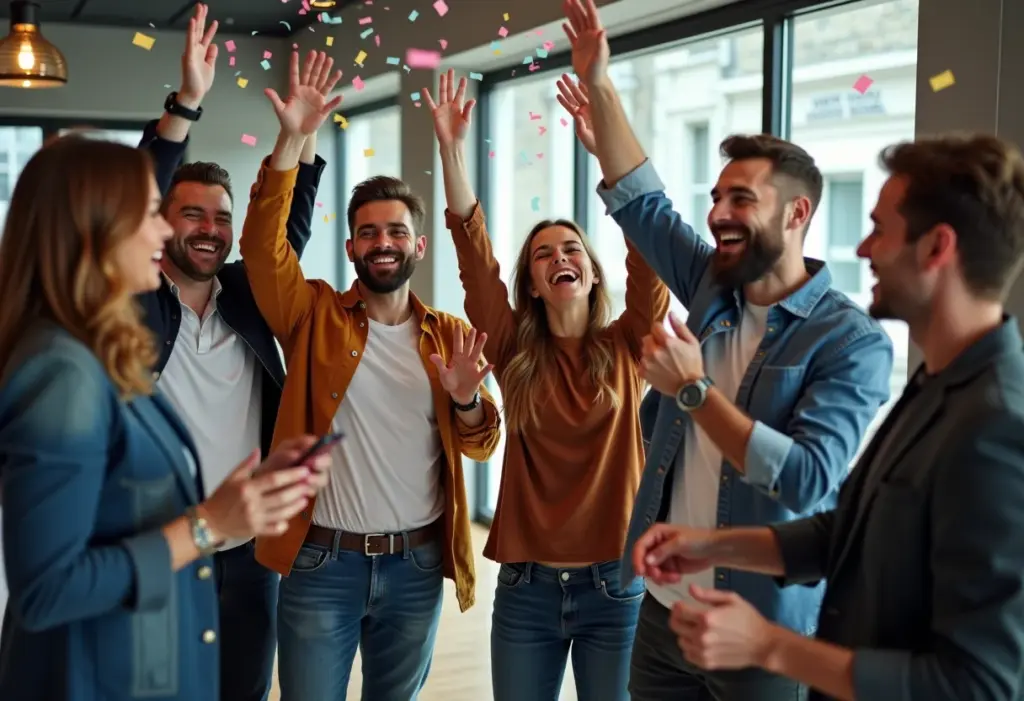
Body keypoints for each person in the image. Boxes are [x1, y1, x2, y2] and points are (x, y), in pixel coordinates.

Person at [557, 1, 893, 699]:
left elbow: (804, 478)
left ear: (796, 213)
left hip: (760, 628)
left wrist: (693, 392)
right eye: (716, 198)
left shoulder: (850, 339)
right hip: (663, 611)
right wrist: (601, 83)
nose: (717, 213)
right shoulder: (715, 287)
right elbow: (643, 202)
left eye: (741, 198)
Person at [634, 133, 1024, 701]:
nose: (863, 249)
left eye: (880, 230)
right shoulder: (938, 383)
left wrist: (770, 646)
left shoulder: (997, 429)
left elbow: (978, 685)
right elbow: (851, 531)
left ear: (937, 248)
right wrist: (713, 545)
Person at [0, 135, 331, 701]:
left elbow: (279, 239)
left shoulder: (97, 350)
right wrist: (207, 524)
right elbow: (47, 590)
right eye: (147, 214)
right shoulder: (62, 373)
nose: (160, 232)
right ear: (93, 228)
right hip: (95, 669)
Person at [239, 52, 502, 701]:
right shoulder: (313, 313)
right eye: (367, 232)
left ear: (417, 244)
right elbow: (262, 250)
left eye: (395, 231)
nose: (381, 241)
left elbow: (483, 442)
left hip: (416, 566)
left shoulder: (446, 333)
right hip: (321, 561)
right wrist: (292, 142)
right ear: (352, 245)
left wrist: (467, 399)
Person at [425, 68, 669, 700]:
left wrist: (609, 151)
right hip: (527, 590)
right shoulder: (512, 349)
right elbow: (474, 258)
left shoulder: (631, 343)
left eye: (571, 250)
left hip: (617, 586)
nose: (560, 257)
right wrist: (451, 151)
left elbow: (651, 247)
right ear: (532, 283)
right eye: (544, 254)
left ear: (591, 271)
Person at [132, 7, 328, 700]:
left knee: (243, 686)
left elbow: (287, 230)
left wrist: (298, 138)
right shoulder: (136, 298)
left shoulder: (245, 292)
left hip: (247, 544)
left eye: (221, 216)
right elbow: (135, 193)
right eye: (194, 215)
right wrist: (185, 102)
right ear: (159, 226)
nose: (212, 230)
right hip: (159, 532)